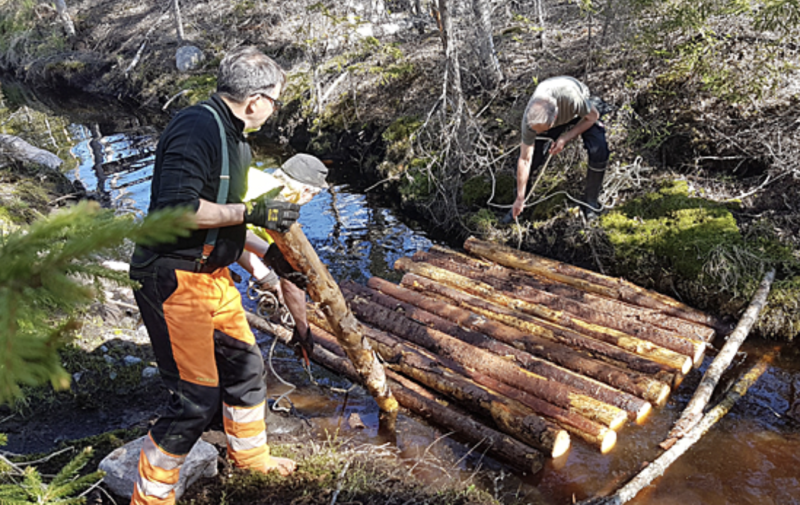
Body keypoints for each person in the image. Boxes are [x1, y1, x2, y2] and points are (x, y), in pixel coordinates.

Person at [128, 46, 310, 505]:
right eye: (275, 101)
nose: (273, 110)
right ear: (255, 100)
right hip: (174, 277)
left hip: (212, 276)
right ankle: (151, 497)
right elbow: (178, 210)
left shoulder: (236, 138)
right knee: (195, 399)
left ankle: (251, 459)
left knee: (246, 368)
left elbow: (224, 222)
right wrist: (252, 212)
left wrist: (272, 254)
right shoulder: (197, 128)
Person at [511, 76, 610, 220]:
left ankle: (591, 202)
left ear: (555, 118)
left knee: (599, 148)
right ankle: (520, 205)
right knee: (534, 157)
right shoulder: (530, 119)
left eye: (542, 130)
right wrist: (519, 198)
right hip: (552, 115)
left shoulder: (573, 99)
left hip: (582, 111)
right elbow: (525, 159)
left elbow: (593, 117)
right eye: (536, 130)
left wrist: (565, 138)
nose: (537, 133)